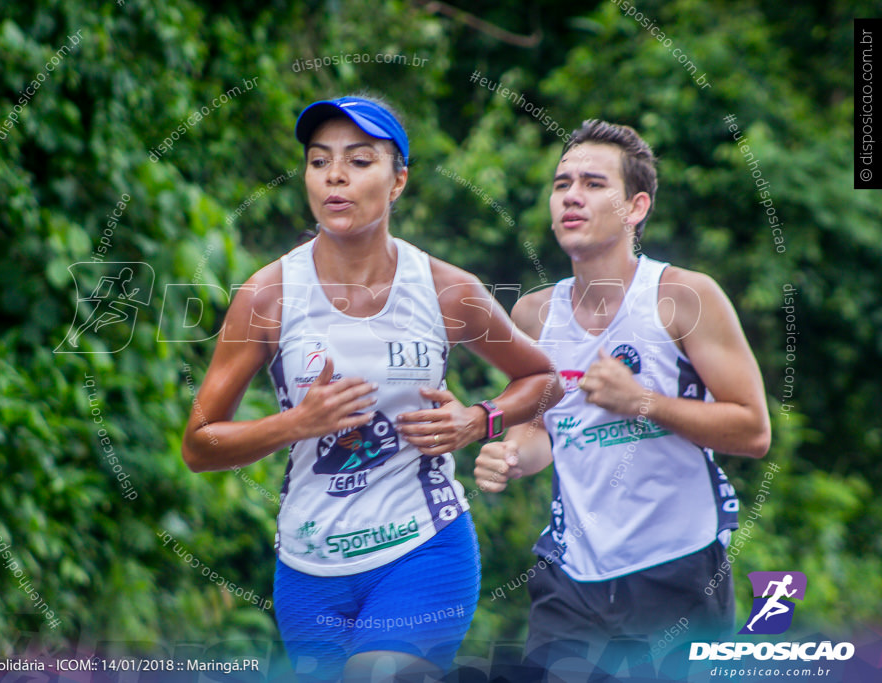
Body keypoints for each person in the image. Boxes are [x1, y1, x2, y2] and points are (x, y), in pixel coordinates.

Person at [182, 95, 561, 682]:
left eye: (360, 161)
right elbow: (199, 445)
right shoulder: (267, 296)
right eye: (318, 160)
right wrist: (294, 424)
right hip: (309, 568)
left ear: (398, 181)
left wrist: (477, 421)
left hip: (422, 550)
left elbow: (543, 381)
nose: (335, 175)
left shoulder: (446, 290)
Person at [474, 120, 771, 679]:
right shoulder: (534, 315)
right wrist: (510, 459)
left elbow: (753, 431)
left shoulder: (683, 297)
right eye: (562, 184)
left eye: (591, 183)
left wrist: (642, 402)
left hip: (677, 569)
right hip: (571, 577)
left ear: (635, 207)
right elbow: (539, 433)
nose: (572, 197)